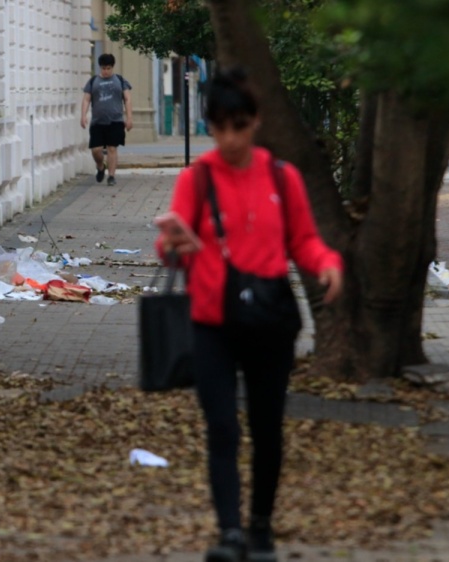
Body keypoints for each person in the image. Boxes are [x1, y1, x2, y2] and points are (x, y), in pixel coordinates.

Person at [155, 68, 343, 562]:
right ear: (210, 127)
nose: (229, 137)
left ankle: (260, 525)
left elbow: (303, 239)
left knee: (266, 427)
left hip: (269, 324)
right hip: (211, 323)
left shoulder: (283, 177)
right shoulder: (196, 179)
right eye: (219, 127)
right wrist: (173, 243)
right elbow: (167, 246)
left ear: (255, 121)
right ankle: (230, 532)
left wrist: (327, 265)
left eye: (238, 125)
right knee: (221, 426)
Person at [81, 53, 133, 186]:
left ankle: (111, 176)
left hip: (115, 121)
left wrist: (129, 118)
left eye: (108, 68)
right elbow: (86, 99)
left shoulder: (120, 81)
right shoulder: (93, 81)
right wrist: (83, 115)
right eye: (103, 68)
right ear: (100, 67)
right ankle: (100, 166)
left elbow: (127, 99)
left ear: (112, 67)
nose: (106, 71)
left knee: (112, 148)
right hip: (97, 122)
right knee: (96, 150)